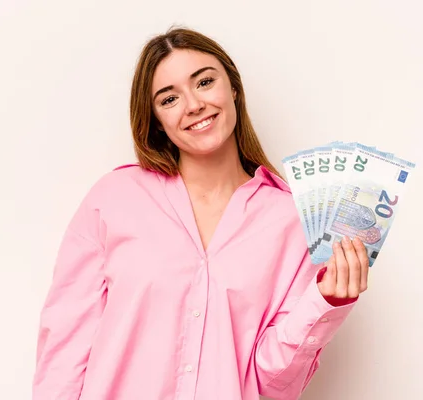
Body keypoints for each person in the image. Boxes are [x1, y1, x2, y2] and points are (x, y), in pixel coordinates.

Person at [32, 26, 369, 400]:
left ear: (233, 88)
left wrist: (326, 302)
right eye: (169, 98)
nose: (193, 105)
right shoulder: (114, 199)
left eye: (204, 82)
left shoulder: (290, 219)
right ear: (156, 119)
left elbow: (272, 382)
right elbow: (65, 344)